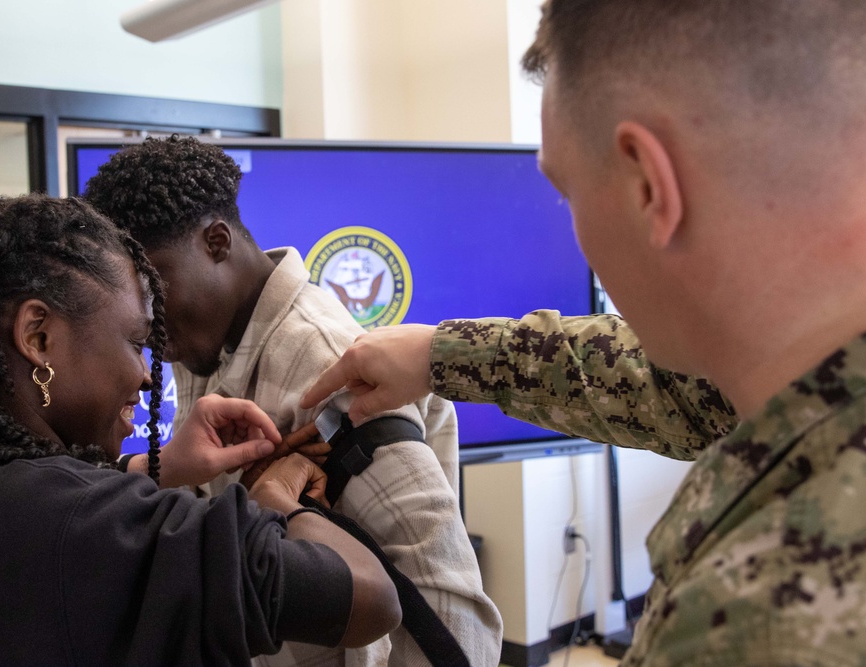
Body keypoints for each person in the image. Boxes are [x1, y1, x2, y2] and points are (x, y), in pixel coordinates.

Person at [301, 1, 866, 665]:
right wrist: (441, 355)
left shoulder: (759, 615)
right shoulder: (800, 373)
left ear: (648, 184)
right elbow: (679, 393)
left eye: (566, 192)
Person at [0, 194, 401, 667]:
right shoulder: (91, 526)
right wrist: (276, 494)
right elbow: (371, 598)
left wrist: (153, 466)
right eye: (134, 341)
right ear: (39, 336)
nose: (147, 376)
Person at [83, 136, 503, 666]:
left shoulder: (323, 363)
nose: (147, 322)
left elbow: (448, 610)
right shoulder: (207, 340)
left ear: (216, 242)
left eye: (156, 289)